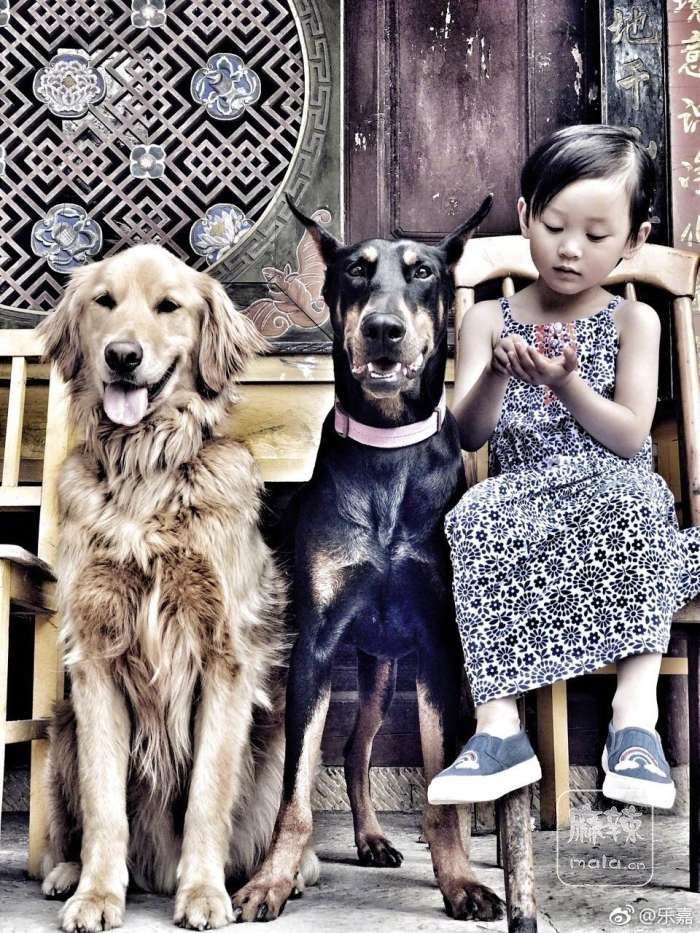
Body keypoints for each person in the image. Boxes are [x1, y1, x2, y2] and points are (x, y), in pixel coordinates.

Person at [427, 124, 700, 810]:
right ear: (525, 216)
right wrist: (495, 371)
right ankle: (499, 728)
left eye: (597, 234)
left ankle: (634, 720)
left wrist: (568, 384)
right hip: (523, 496)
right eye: (553, 226)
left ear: (635, 239)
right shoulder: (488, 319)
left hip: (611, 487)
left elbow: (630, 437)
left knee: (642, 503)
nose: (571, 248)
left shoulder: (636, 322)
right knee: (473, 515)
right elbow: (467, 434)